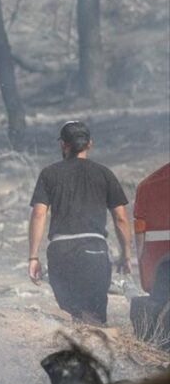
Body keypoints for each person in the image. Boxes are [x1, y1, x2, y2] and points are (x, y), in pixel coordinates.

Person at [27, 121, 132, 324]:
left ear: (63, 145)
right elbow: (121, 218)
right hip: (94, 251)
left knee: (74, 314)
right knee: (94, 319)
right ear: (89, 144)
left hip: (61, 251)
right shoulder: (104, 173)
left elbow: (39, 214)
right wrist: (126, 254)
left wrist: (33, 257)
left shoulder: (49, 173)